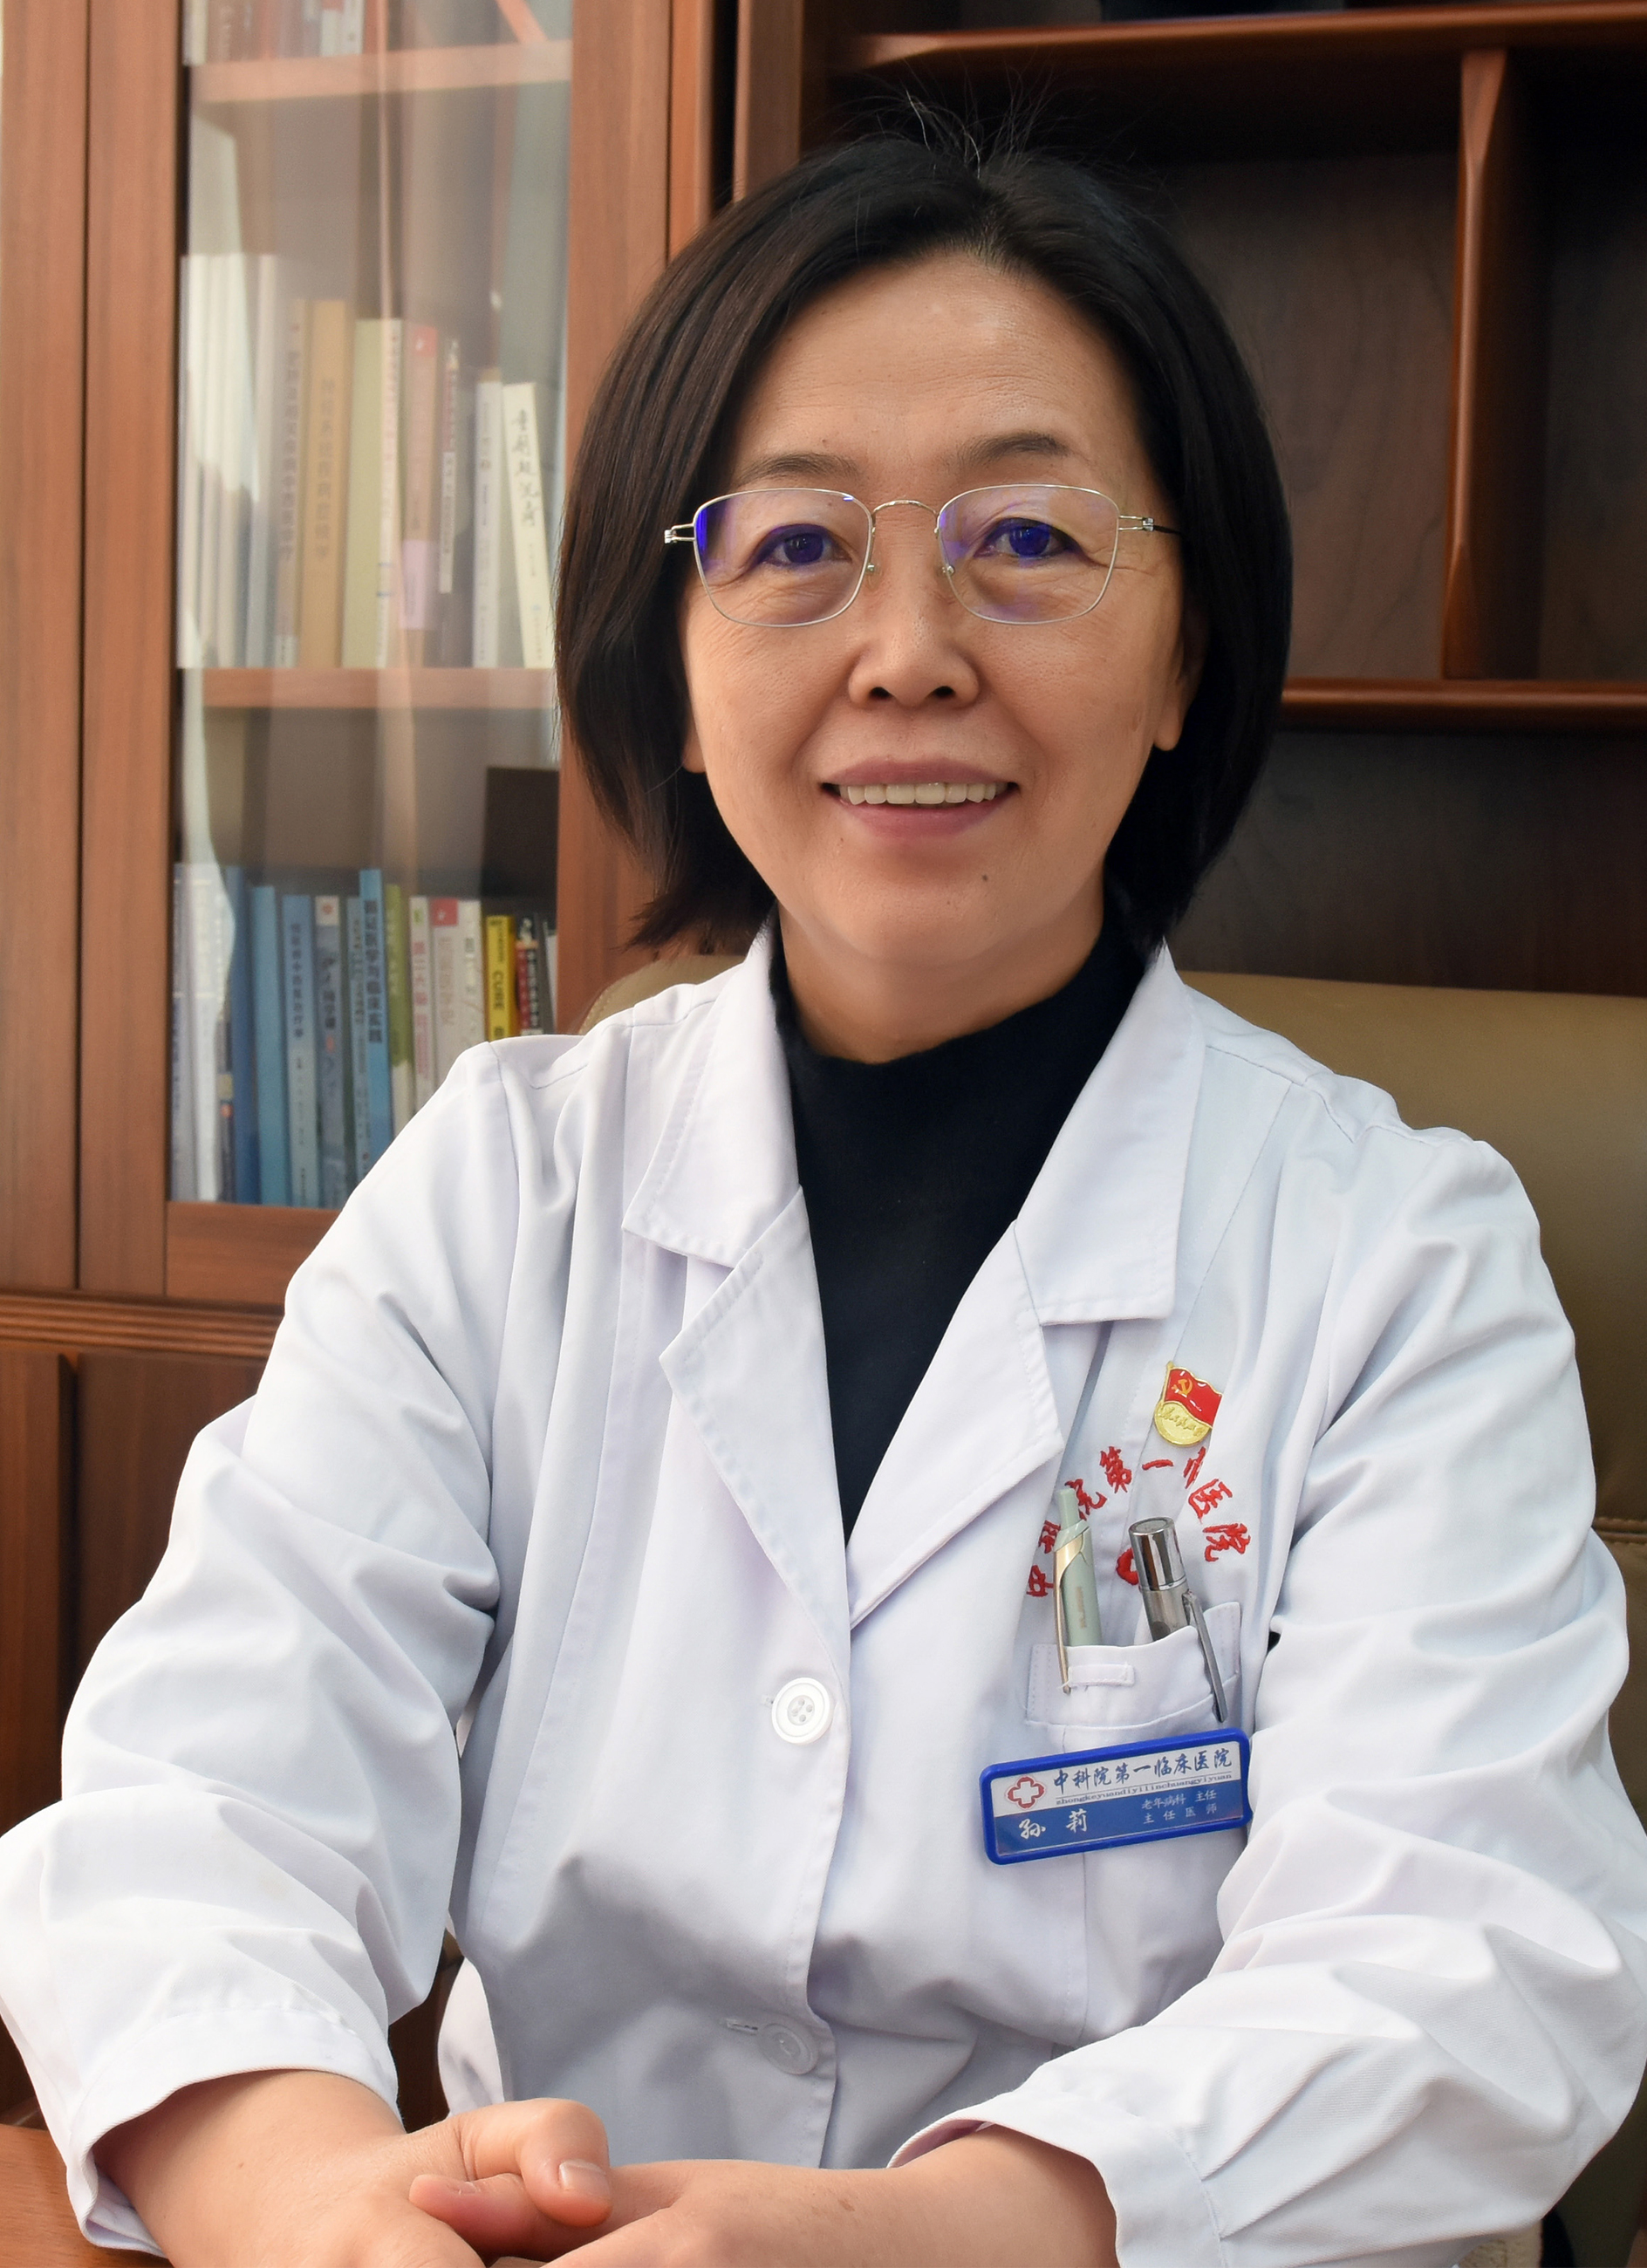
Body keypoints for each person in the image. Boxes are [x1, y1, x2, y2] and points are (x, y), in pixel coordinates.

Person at [3, 125, 1645, 2268]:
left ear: (1182, 653)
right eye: (792, 546)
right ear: (672, 667)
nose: (906, 650)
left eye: (1025, 538)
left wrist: (919, 2237)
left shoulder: (1393, 1261)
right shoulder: (499, 1194)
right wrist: (313, 2201)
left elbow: (1463, 1963)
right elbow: (206, 1801)